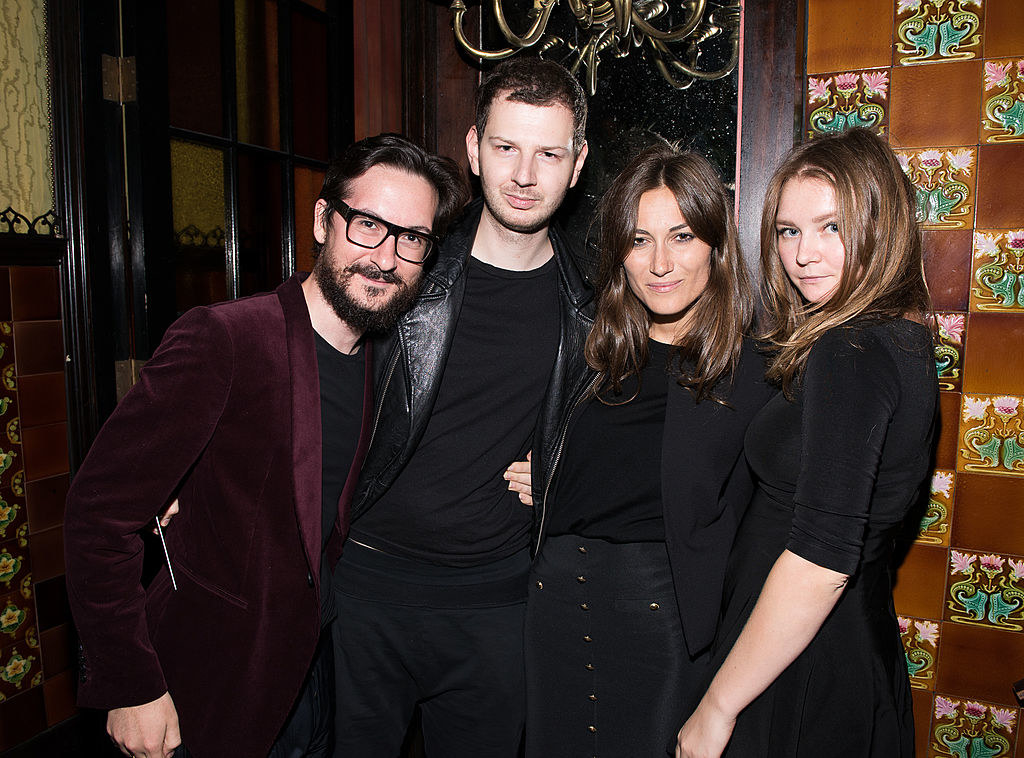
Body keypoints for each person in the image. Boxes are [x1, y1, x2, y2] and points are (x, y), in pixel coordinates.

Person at [63, 134, 468, 758]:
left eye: (411, 238)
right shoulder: (225, 340)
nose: (385, 257)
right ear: (324, 220)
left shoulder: (385, 368)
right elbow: (97, 515)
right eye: (368, 225)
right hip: (205, 685)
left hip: (313, 685)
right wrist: (131, 685)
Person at [331, 57, 592, 757]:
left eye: (548, 152)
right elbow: (304, 365)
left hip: (497, 603)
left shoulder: (593, 305)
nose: (525, 173)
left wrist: (569, 472)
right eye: (506, 147)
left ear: (578, 163)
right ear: (474, 149)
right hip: (365, 586)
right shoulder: (405, 263)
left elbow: (648, 431)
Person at [504, 144, 774, 756]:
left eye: (681, 236)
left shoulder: (754, 371)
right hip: (553, 611)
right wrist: (551, 477)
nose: (659, 263)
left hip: (663, 621)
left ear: (715, 245)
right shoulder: (591, 356)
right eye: (639, 238)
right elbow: (590, 466)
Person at [676, 127, 937, 757]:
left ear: (881, 224)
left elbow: (821, 564)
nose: (804, 254)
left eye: (832, 227)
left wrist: (716, 707)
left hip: (803, 662)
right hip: (826, 647)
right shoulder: (896, 340)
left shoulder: (851, 350)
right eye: (789, 231)